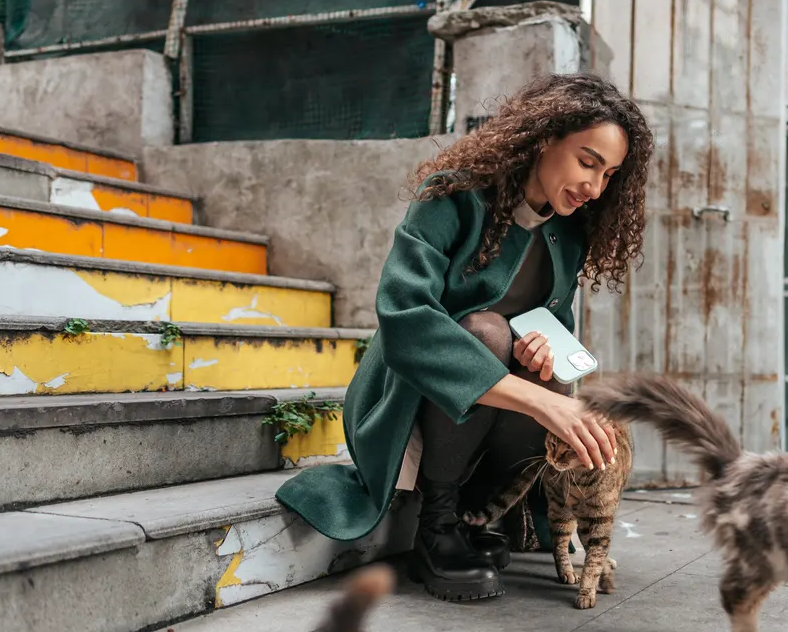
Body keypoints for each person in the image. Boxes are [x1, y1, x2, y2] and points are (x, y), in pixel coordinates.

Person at [275, 72, 653, 603]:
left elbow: (555, 324)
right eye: (587, 161)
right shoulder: (452, 195)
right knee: (486, 332)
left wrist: (543, 352)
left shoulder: (568, 233)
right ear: (545, 136)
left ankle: (482, 513)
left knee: (541, 363)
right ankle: (438, 525)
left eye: (609, 174)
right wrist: (537, 398)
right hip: (406, 402)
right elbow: (405, 321)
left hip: (491, 424)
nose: (594, 187)